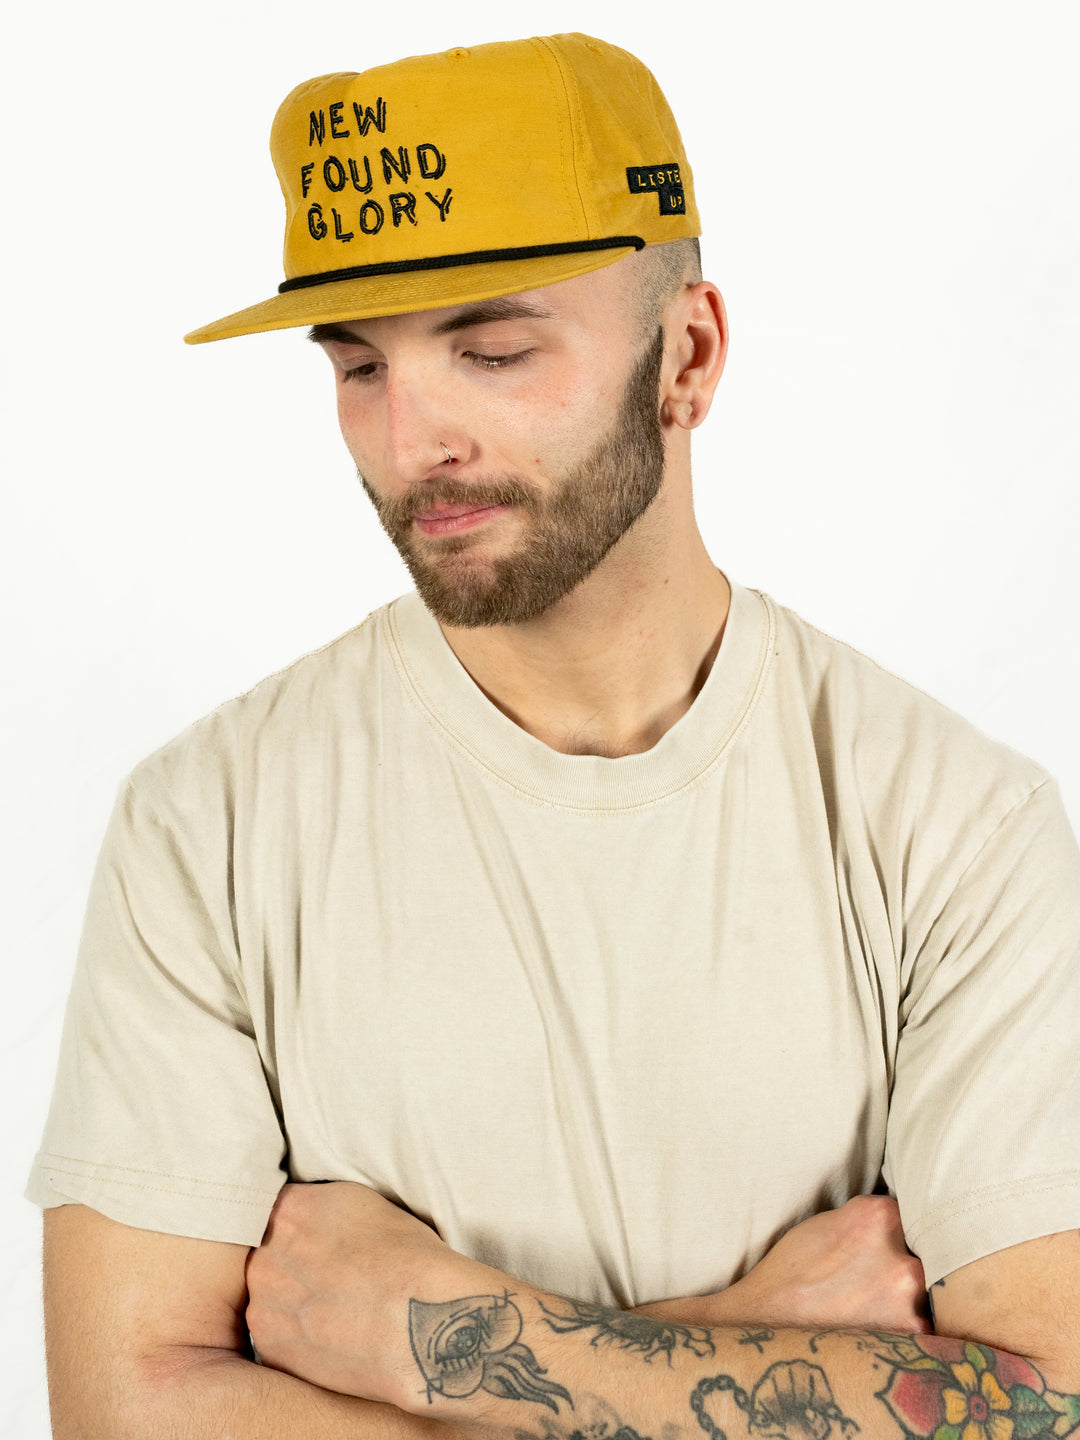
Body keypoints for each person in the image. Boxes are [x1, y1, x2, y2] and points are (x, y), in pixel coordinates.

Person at [31, 31, 1080, 1440]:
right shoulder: (208, 825)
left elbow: (1045, 1405)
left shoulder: (954, 827)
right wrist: (735, 1343)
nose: (414, 441)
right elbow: (120, 1415)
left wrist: (424, 1340)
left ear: (688, 354)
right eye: (359, 369)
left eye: (494, 349)